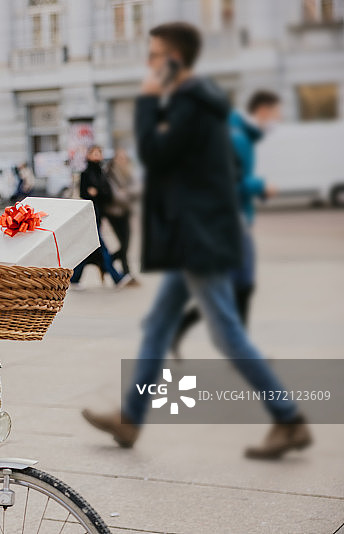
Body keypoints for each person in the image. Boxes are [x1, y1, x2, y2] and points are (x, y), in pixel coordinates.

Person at [81, 23, 311, 459]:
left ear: (172, 60)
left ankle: (288, 418)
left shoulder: (192, 105)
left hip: (202, 239)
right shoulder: (200, 103)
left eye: (153, 56)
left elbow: (154, 152)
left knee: (226, 334)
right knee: (159, 327)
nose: (147, 65)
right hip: (199, 235)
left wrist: (147, 100)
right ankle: (131, 418)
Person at [171, 90, 281, 357]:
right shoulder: (236, 137)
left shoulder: (237, 135)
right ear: (264, 110)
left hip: (230, 221)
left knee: (235, 288)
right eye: (276, 112)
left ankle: (181, 330)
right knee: (235, 288)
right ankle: (238, 349)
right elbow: (227, 183)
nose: (278, 118)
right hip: (226, 224)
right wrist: (261, 186)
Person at [70, 145, 131, 288]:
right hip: (89, 216)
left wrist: (97, 191)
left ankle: (74, 278)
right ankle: (116, 277)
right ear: (89, 155)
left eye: (99, 153)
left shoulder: (101, 173)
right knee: (101, 248)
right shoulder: (86, 173)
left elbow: (107, 193)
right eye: (95, 153)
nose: (97, 156)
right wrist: (95, 192)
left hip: (99, 215)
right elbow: (84, 194)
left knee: (88, 249)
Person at [104, 148, 139, 277]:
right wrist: (128, 193)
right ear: (115, 159)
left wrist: (127, 192)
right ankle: (125, 270)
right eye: (120, 157)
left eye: (124, 157)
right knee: (123, 242)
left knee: (126, 243)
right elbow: (116, 196)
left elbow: (138, 189)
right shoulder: (110, 173)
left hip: (126, 211)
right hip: (113, 212)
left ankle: (110, 263)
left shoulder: (129, 171)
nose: (122, 160)